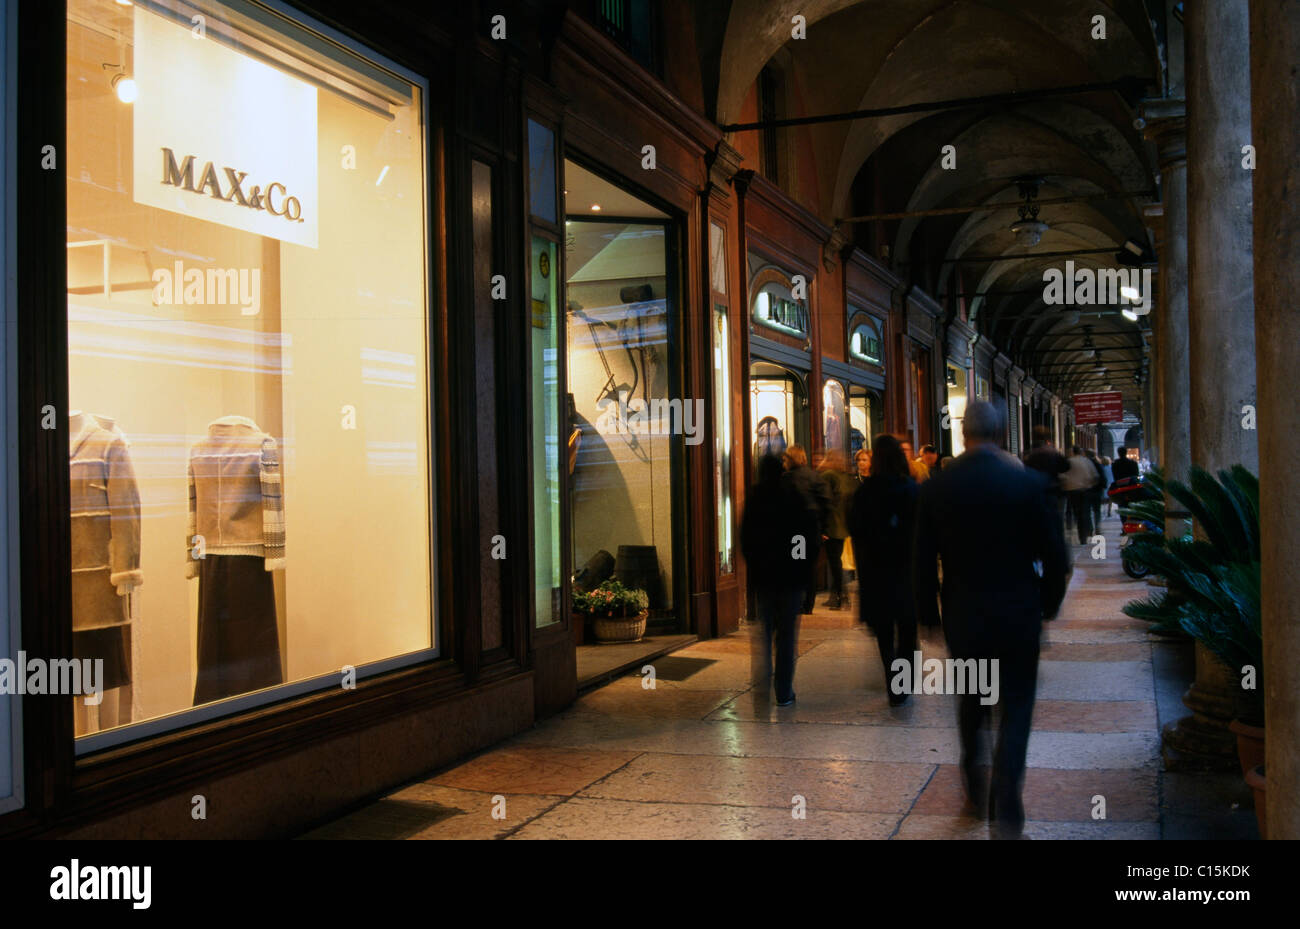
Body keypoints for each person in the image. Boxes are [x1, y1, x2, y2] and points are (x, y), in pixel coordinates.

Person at [913, 401, 1069, 839]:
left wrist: (927, 614)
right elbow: (1056, 557)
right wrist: (1047, 606)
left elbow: (922, 561)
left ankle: (974, 782)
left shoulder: (937, 489)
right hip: (1018, 614)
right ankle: (1007, 797)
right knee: (1017, 706)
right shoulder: (1030, 485)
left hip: (965, 615)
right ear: (1001, 434)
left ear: (964, 435)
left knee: (971, 700)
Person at [741, 455, 819, 707]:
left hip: (764, 577)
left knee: (763, 634)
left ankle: (762, 691)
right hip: (790, 577)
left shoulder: (755, 499)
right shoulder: (793, 496)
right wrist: (803, 566)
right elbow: (806, 535)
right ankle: (784, 692)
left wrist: (755, 565)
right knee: (786, 636)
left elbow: (746, 540)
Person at [848, 434, 919, 706]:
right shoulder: (911, 489)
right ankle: (903, 682)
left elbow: (856, 529)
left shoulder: (865, 492)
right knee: (907, 630)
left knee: (886, 633)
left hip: (876, 572)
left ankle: (895, 684)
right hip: (906, 572)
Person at [781, 445, 830, 614]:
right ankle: (808, 603)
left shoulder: (788, 479)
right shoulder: (814, 477)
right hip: (813, 531)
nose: (783, 462)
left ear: (791, 459)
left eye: (785, 459)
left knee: (798, 566)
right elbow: (826, 502)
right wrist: (823, 528)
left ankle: (799, 601)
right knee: (810, 567)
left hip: (797, 533)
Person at [818, 449, 856, 610]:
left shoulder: (828, 476)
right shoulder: (847, 477)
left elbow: (823, 501)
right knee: (837, 561)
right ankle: (839, 594)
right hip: (844, 525)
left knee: (835, 562)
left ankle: (840, 595)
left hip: (832, 525)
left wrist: (822, 527)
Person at [1024, 426, 1069, 540]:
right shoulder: (1052, 452)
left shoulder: (1029, 454)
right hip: (1054, 490)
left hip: (1035, 492)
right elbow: (1066, 466)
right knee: (1056, 519)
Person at [1061, 446, 1098, 545]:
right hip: (1085, 490)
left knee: (1076, 512)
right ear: (1081, 452)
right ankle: (1083, 536)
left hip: (1072, 491)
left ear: (1073, 452)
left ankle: (1081, 533)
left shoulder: (1069, 461)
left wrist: (1067, 484)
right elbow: (1095, 476)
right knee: (1084, 512)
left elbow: (1062, 476)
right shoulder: (1087, 461)